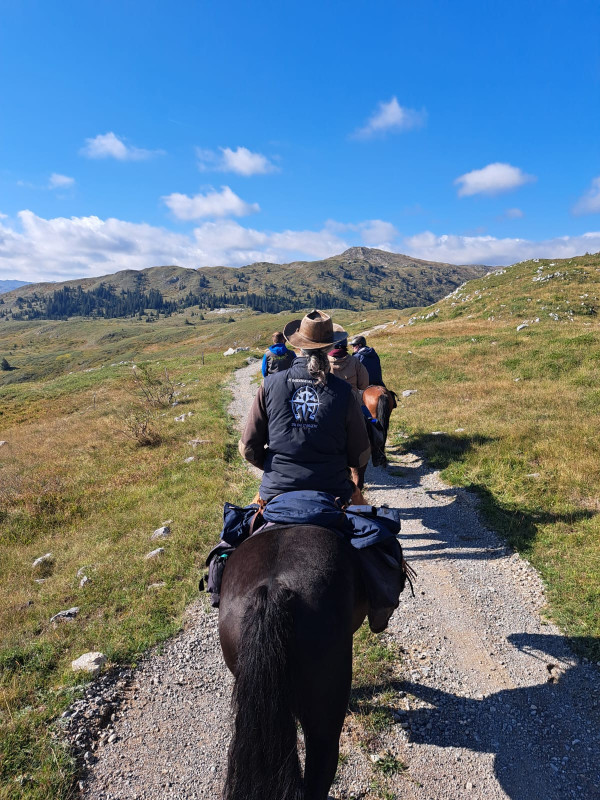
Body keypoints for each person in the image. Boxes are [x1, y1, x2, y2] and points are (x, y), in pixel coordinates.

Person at [240, 310, 370, 504]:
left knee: (242, 527)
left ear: (298, 346)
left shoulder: (269, 385)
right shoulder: (344, 392)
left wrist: (276, 466)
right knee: (372, 525)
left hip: (277, 489)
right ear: (329, 348)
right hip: (332, 490)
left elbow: (248, 449)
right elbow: (360, 456)